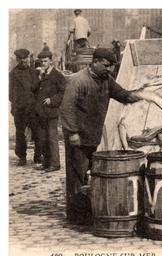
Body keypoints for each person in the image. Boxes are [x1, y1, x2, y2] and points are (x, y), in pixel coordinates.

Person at [60, 48, 144, 225]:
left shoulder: (106, 80)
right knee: (77, 176)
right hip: (79, 137)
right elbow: (67, 108)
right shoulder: (78, 81)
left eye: (112, 66)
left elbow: (121, 93)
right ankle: (76, 217)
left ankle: (91, 211)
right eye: (106, 66)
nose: (109, 70)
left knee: (93, 174)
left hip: (94, 137)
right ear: (95, 61)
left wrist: (136, 96)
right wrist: (73, 133)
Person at [33, 49, 66, 172]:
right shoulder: (42, 75)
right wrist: (40, 77)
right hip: (41, 112)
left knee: (52, 138)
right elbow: (34, 90)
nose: (43, 64)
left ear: (51, 61)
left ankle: (55, 164)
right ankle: (46, 162)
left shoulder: (58, 76)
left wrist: (52, 100)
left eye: (46, 61)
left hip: (51, 112)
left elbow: (62, 92)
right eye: (41, 61)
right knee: (43, 138)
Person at [9, 48, 42, 166]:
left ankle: (38, 155)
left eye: (26, 60)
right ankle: (22, 157)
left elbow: (37, 90)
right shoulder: (12, 74)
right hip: (20, 108)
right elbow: (10, 93)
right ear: (17, 60)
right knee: (20, 133)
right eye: (21, 60)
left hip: (32, 108)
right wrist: (18, 104)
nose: (24, 62)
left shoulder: (34, 72)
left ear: (28, 59)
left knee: (37, 132)